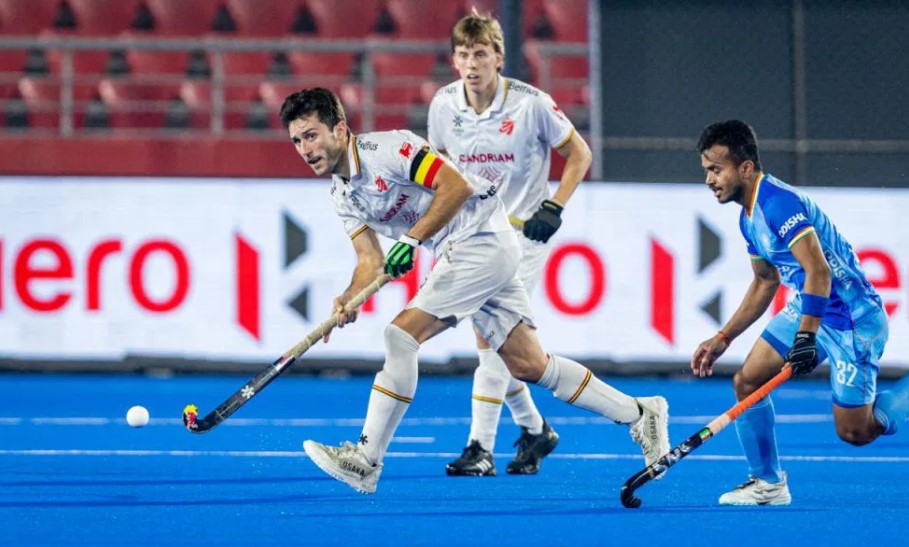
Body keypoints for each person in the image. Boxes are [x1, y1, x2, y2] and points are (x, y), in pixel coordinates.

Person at [280, 87, 670, 494]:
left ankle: (366, 459)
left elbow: (455, 186)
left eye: (312, 136)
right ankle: (640, 413)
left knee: (400, 335)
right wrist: (348, 297)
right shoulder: (341, 194)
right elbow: (370, 261)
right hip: (467, 248)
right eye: (296, 141)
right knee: (528, 364)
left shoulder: (387, 149)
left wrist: (411, 239)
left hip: (479, 236)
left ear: (340, 130)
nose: (305, 149)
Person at [691, 119, 909, 506]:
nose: (709, 180)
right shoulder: (748, 217)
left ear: (745, 167)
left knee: (856, 431)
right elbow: (765, 281)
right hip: (812, 306)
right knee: (748, 381)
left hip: (852, 320)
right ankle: (768, 484)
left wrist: (805, 336)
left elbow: (819, 271)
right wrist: (723, 337)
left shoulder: (778, 204)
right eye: (706, 170)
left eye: (716, 169)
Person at [426, 9, 592, 477]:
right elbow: (438, 169)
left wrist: (554, 206)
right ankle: (536, 431)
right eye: (463, 55)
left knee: (490, 340)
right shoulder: (443, 105)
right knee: (500, 344)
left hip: (522, 236)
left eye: (480, 54)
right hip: (473, 235)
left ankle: (480, 446)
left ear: (498, 58)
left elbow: (579, 153)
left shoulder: (531, 103)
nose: (471, 64)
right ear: (454, 60)